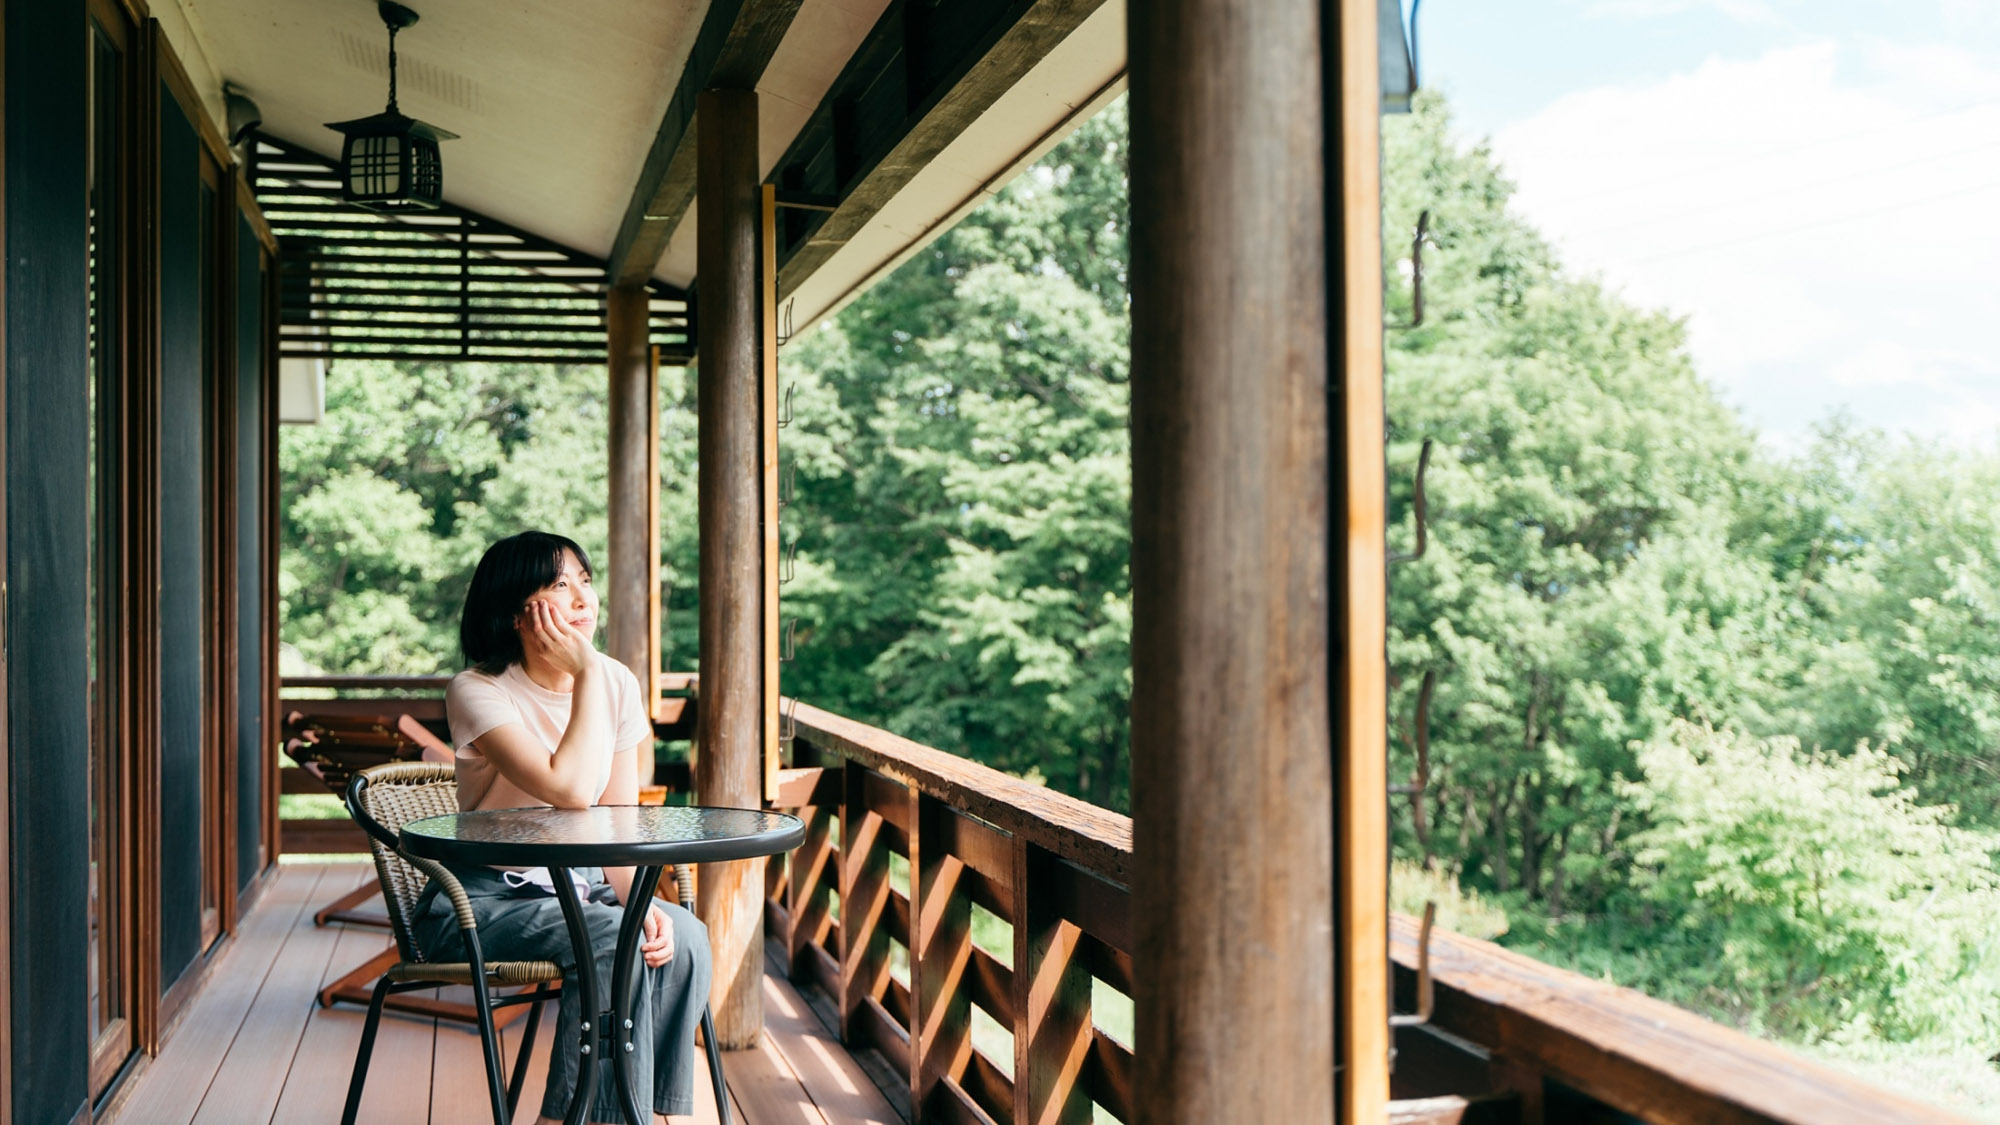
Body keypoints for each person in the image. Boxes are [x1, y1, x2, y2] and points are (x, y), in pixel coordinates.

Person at [413, 530, 710, 1125]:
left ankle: (651, 1113)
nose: (581, 598)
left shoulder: (618, 683)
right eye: (557, 585)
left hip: (577, 889)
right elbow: (572, 792)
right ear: (515, 610)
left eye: (584, 580)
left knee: (682, 936)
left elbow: (617, 822)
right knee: (607, 942)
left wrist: (640, 902)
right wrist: (590, 673)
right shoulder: (478, 690)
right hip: (477, 902)